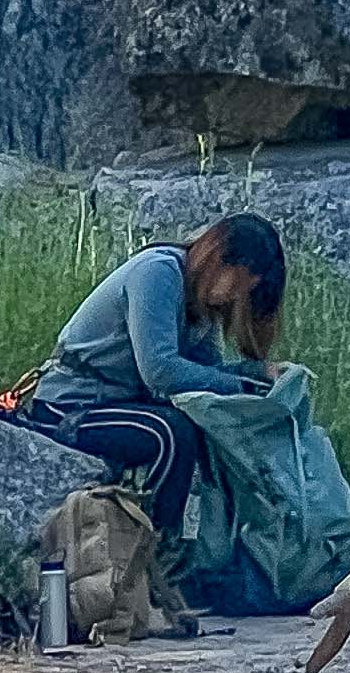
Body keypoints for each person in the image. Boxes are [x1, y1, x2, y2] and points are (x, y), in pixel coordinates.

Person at [26, 216, 286, 531]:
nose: (235, 297)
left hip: (119, 403)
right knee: (170, 435)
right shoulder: (158, 273)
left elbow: (204, 374)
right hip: (71, 406)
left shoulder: (199, 305)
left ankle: (215, 545)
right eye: (238, 282)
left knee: (212, 430)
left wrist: (258, 375)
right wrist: (240, 385)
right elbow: (161, 371)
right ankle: (160, 550)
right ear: (218, 259)